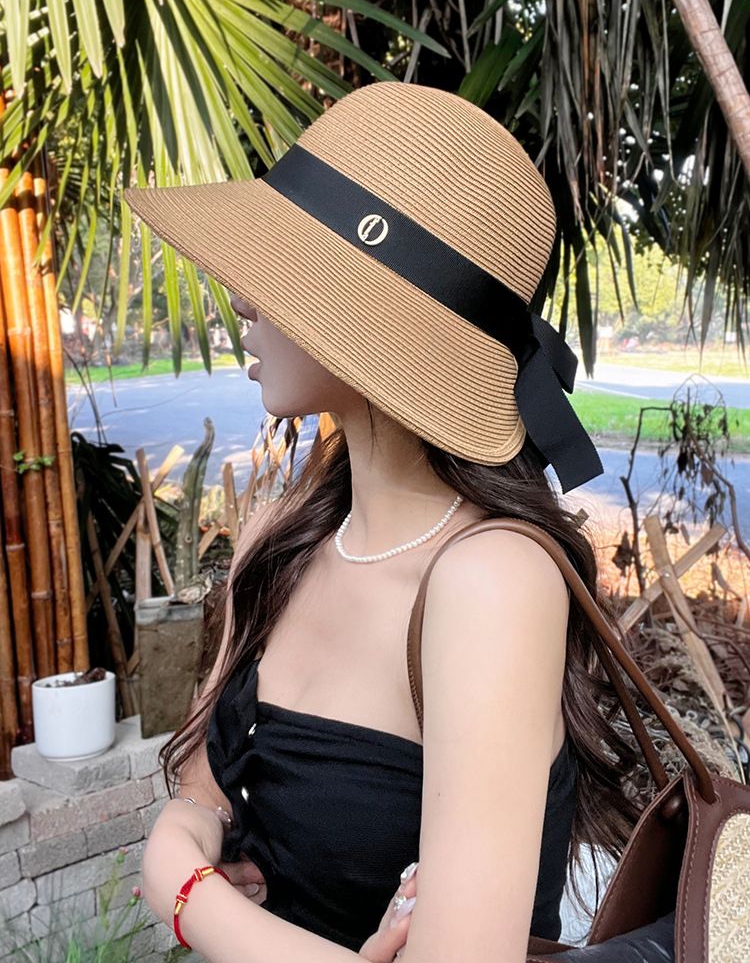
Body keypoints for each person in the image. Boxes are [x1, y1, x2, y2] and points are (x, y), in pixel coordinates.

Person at [123, 82, 643, 963]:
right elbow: (205, 795)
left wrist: (179, 886)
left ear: (367, 313)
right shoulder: (282, 542)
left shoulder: (490, 584)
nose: (242, 298)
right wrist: (186, 840)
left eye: (278, 263)